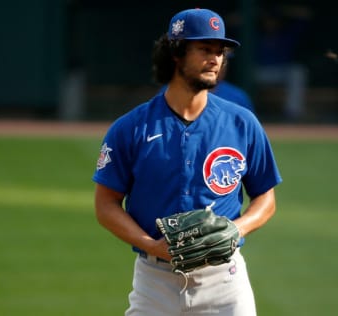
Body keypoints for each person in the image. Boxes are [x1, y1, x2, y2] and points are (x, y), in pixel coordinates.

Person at [92, 8, 282, 316]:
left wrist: (237, 229)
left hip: (225, 281)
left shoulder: (241, 123)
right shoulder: (131, 128)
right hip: (155, 282)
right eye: (205, 49)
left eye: (220, 52)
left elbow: (266, 198)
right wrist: (151, 245)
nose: (216, 59)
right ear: (176, 54)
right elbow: (105, 205)